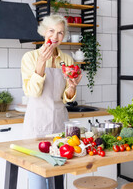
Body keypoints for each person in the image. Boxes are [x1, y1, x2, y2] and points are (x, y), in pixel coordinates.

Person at [21, 14, 82, 189]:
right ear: (43, 32)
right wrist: (41, 63)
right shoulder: (30, 58)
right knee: (37, 181)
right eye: (52, 31)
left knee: (58, 181)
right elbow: (32, 92)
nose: (55, 37)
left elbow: (66, 97)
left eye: (60, 33)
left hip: (59, 126)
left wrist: (72, 86)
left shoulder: (67, 60)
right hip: (36, 126)